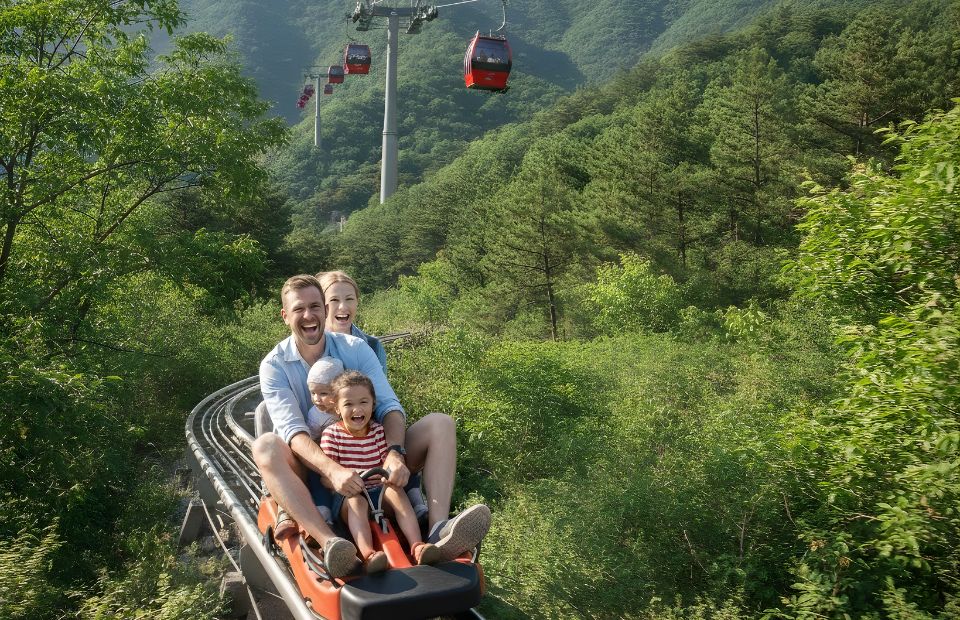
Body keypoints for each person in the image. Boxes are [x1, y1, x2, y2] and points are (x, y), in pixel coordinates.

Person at [253, 274, 490, 578]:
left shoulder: (355, 348)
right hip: (313, 464)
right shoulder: (274, 365)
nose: (309, 315)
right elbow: (293, 432)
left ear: (325, 311)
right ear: (286, 316)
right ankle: (331, 544)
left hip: (369, 455)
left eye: (315, 306)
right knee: (265, 446)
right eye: (299, 309)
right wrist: (332, 470)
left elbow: (389, 406)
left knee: (441, 424)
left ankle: (438, 532)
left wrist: (394, 453)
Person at [320, 371, 441, 573]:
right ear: (337, 409)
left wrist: (393, 474)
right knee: (356, 502)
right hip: (349, 498)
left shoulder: (377, 431)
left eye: (363, 402)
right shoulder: (332, 435)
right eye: (348, 404)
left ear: (373, 405)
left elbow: (386, 464)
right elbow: (326, 477)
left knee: (395, 491)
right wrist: (342, 479)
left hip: (378, 492)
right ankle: (368, 555)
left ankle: (417, 546)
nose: (357, 409)